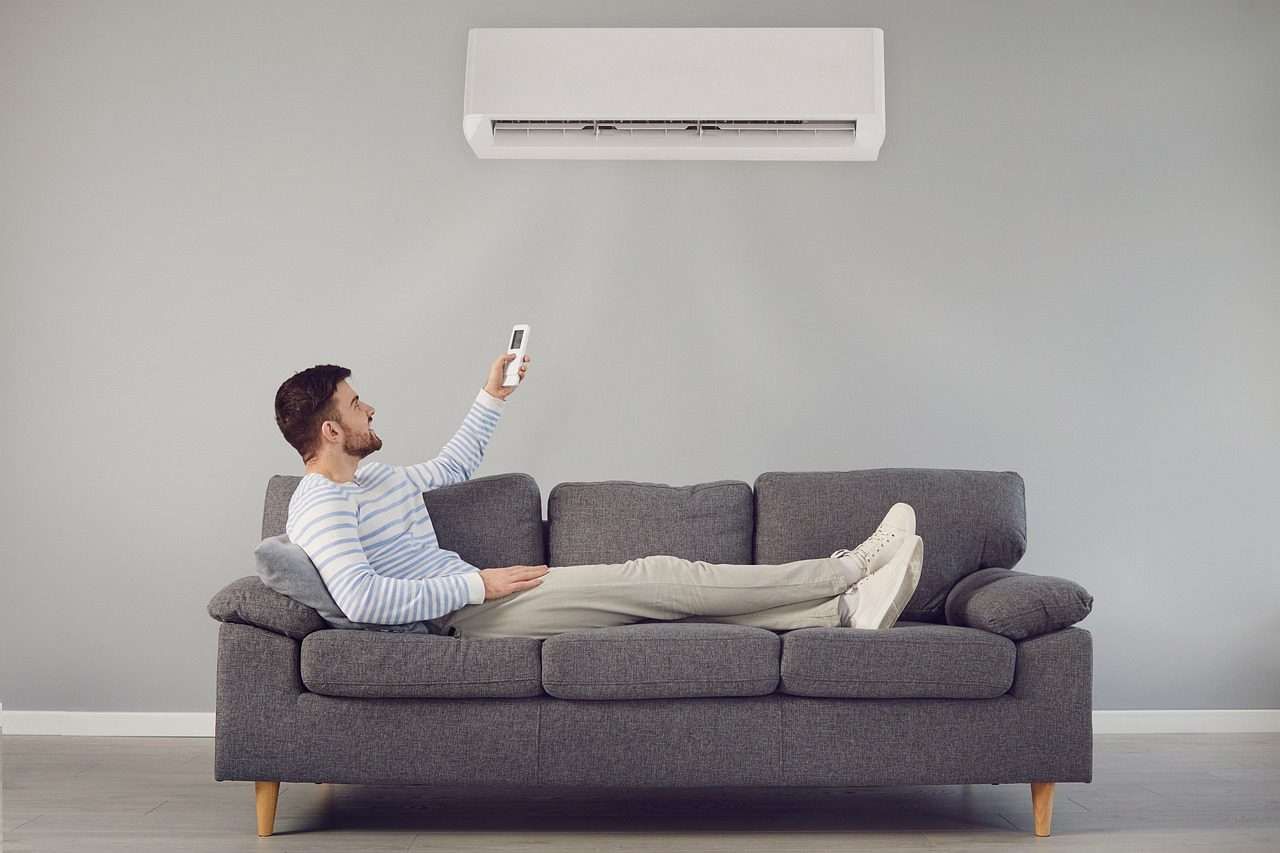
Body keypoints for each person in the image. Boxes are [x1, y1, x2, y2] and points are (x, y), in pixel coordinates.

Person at [272, 354, 923, 641]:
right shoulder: (323, 504)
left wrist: (493, 394)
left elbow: (454, 464)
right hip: (463, 616)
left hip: (479, 598)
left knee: (660, 607)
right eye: (356, 404)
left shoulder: (375, 480)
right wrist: (478, 586)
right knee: (660, 577)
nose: (370, 409)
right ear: (330, 430)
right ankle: (848, 568)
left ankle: (841, 612)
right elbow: (360, 599)